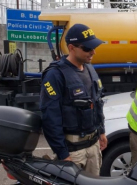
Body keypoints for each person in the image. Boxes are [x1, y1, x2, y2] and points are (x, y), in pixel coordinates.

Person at [40, 24, 107, 175]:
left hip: (93, 146)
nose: (93, 52)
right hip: (73, 152)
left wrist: (101, 132)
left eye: (94, 47)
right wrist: (63, 154)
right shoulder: (55, 75)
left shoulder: (89, 68)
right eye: (87, 49)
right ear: (71, 47)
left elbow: (97, 103)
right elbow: (50, 118)